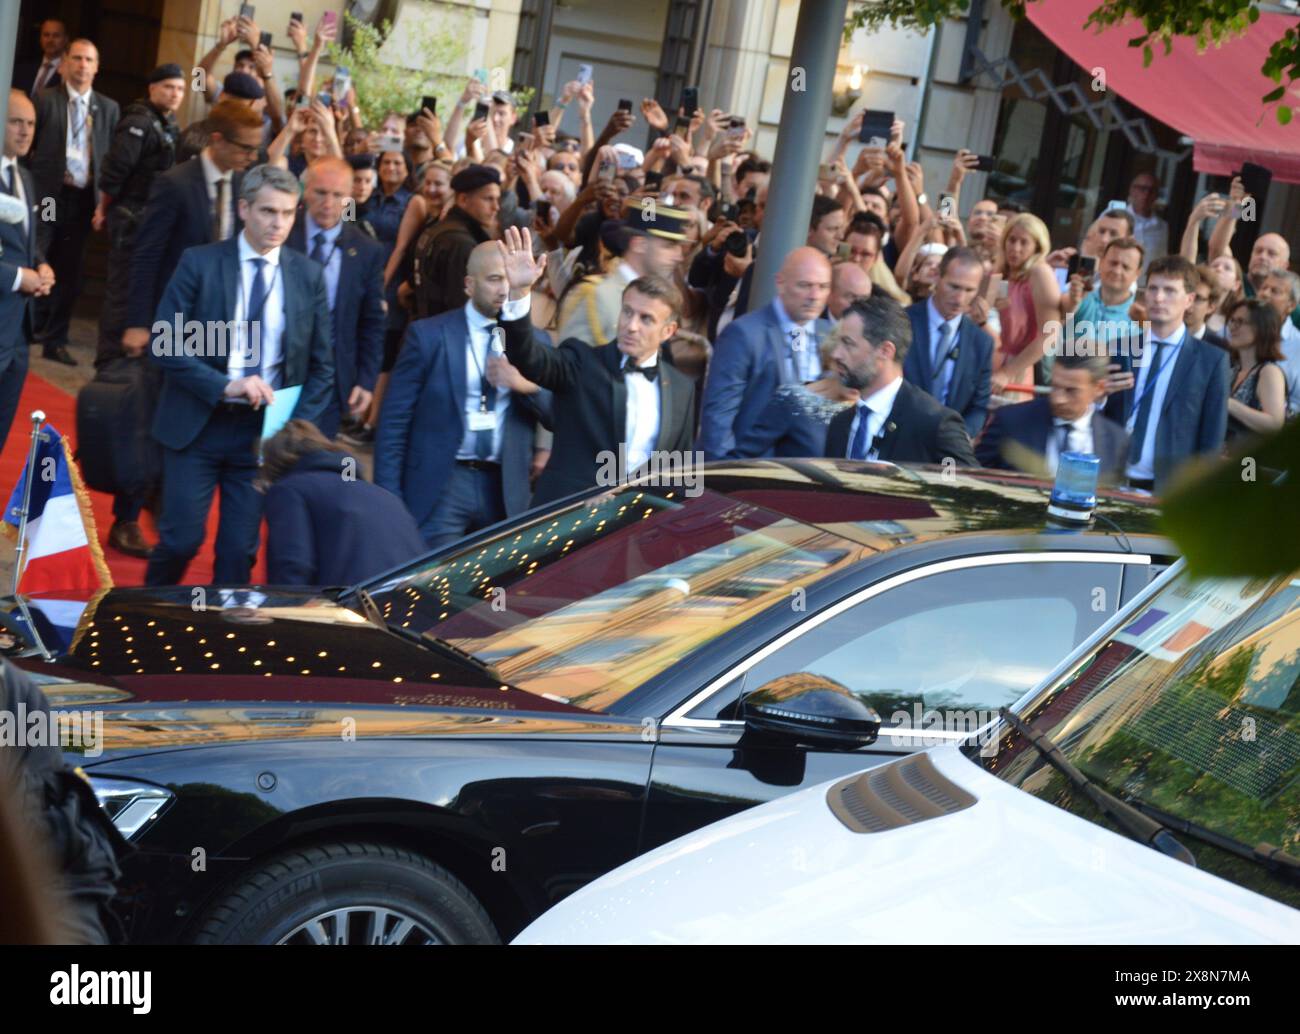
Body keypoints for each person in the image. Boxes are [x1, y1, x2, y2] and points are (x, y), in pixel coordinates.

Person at [144, 164, 335, 586]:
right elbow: (165, 342)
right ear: (244, 208)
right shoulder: (200, 262)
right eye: (268, 211)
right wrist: (224, 385)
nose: (278, 223)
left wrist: (289, 427)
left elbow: (322, 368)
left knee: (238, 553)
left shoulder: (307, 276)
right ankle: (145, 617)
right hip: (197, 424)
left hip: (262, 435)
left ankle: (219, 639)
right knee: (180, 540)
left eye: (287, 213)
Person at [497, 228, 697, 505]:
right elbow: (528, 357)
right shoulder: (582, 362)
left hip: (633, 527)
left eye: (646, 319)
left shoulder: (681, 388)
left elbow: (678, 473)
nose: (631, 325)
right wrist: (519, 294)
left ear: (668, 331)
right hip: (568, 518)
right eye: (627, 312)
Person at [375, 241, 553, 548]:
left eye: (509, 279)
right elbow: (393, 423)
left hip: (504, 484)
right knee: (428, 581)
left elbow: (557, 416)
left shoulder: (536, 341)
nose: (503, 289)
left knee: (494, 584)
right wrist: (389, 499)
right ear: (469, 285)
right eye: (494, 278)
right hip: (442, 482)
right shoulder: (428, 336)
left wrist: (526, 386)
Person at [123, 99, 262, 357]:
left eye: (256, 148)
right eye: (246, 148)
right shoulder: (175, 184)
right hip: (175, 314)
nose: (252, 156)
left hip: (222, 320)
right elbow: (147, 255)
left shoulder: (244, 185)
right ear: (218, 140)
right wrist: (138, 322)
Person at [26, 39, 120, 366]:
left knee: (71, 268)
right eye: (76, 58)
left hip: (82, 199)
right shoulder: (46, 100)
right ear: (65, 63)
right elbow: (29, 148)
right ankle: (31, 325)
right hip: (52, 193)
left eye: (88, 60)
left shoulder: (108, 108)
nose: (82, 65)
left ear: (97, 66)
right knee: (41, 250)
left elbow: (110, 160)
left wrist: (103, 203)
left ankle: (55, 337)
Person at [284, 157, 386, 439]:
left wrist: (366, 381)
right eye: (320, 192)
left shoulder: (367, 251)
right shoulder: (280, 235)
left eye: (338, 195)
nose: (328, 203)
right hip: (277, 372)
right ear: (305, 190)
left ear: (350, 196)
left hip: (329, 379)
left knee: (312, 465)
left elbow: (373, 322)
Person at [699, 247, 832, 460]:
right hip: (751, 472)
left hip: (811, 478)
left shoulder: (829, 334)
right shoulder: (743, 334)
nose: (814, 296)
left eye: (823, 287)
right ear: (780, 283)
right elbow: (718, 418)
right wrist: (725, 475)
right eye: (805, 285)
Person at [261, 420, 427, 584]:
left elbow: (292, 566)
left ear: (275, 465)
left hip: (352, 604)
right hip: (410, 601)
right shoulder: (384, 495)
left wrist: (282, 607)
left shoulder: (290, 489)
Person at [824, 295, 977, 466]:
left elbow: (968, 487)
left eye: (848, 343)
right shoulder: (840, 424)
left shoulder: (933, 424)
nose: (836, 354)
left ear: (885, 351)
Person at [1121, 256, 1229, 494]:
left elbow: (1211, 439)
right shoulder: (1120, 349)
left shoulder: (1211, 360)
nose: (1158, 298)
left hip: (1169, 489)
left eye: (1170, 290)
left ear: (1189, 299)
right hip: (1111, 479)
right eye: (1153, 288)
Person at [975, 352, 1128, 482]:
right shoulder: (1010, 421)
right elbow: (977, 477)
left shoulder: (1116, 442)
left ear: (1099, 388)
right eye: (1055, 387)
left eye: (1071, 391)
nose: (1058, 399)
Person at [557, 202, 689, 347]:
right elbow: (569, 363)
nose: (678, 256)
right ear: (640, 245)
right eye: (669, 246)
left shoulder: (661, 298)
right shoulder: (596, 294)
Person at [0, 92, 53, 446]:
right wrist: (20, 278)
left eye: (31, 123)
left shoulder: (27, 178)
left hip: (18, 329)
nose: (25, 131)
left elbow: (25, 242)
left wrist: (40, 265)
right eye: (16, 121)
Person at [901, 246, 994, 438]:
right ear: (936, 276)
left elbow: (979, 406)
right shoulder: (902, 323)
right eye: (954, 286)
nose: (960, 299)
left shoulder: (981, 343)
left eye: (969, 290)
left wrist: (959, 438)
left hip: (948, 450)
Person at [734, 334, 860, 458]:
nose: (857, 382)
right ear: (833, 360)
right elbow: (742, 458)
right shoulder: (793, 401)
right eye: (849, 370)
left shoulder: (868, 413)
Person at [411, 163, 500, 320]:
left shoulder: (440, 229)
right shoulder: (460, 243)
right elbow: (461, 305)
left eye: (497, 199)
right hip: (446, 336)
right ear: (463, 199)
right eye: (488, 199)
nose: (496, 207)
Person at [993, 212, 1060, 392]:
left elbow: (1050, 335)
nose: (1015, 248)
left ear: (1037, 247)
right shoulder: (1003, 271)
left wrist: (1008, 372)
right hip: (992, 363)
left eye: (1024, 242)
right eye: (1012, 240)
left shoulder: (1040, 272)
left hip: (1020, 370)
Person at [1222, 299, 1287, 447]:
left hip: (1251, 463)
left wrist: (1227, 403)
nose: (1232, 327)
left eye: (1240, 321)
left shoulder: (1269, 372)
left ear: (1262, 328)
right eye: (1231, 320)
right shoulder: (1234, 369)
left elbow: (1274, 424)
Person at [1255, 268, 1300, 415]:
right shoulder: (1233, 330)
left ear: (1291, 305)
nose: (1265, 294)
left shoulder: (1297, 346)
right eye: (1263, 288)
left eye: (1275, 291)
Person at [1125, 171, 1167, 274]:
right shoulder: (1115, 217)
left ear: (1156, 195)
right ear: (1132, 190)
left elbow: (1162, 259)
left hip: (1145, 285)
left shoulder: (1162, 227)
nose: (1146, 194)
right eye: (1142, 188)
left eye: (1151, 190)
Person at [15, 18, 67, 98]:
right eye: (46, 35)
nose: (50, 40)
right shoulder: (24, 68)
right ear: (40, 39)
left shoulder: (68, 72)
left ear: (65, 39)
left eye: (56, 35)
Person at [1186, 265, 1230, 350]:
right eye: (1187, 296)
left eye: (1197, 299)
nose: (1189, 304)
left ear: (1211, 307)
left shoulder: (1220, 347)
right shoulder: (1159, 334)